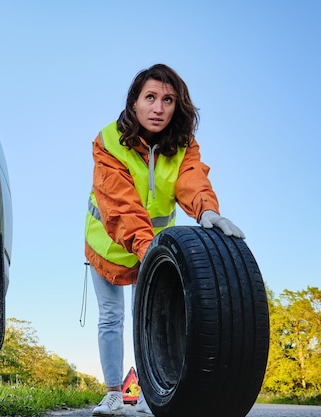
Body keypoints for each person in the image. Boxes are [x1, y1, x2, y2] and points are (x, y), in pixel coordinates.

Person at [84, 64, 244, 416]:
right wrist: (148, 249)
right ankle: (113, 394)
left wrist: (206, 212)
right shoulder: (108, 141)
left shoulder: (183, 145)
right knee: (111, 317)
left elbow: (192, 181)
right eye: (151, 98)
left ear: (177, 106)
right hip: (108, 244)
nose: (158, 108)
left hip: (152, 249)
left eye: (168, 100)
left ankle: (145, 392)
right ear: (134, 103)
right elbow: (120, 205)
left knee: (151, 319)